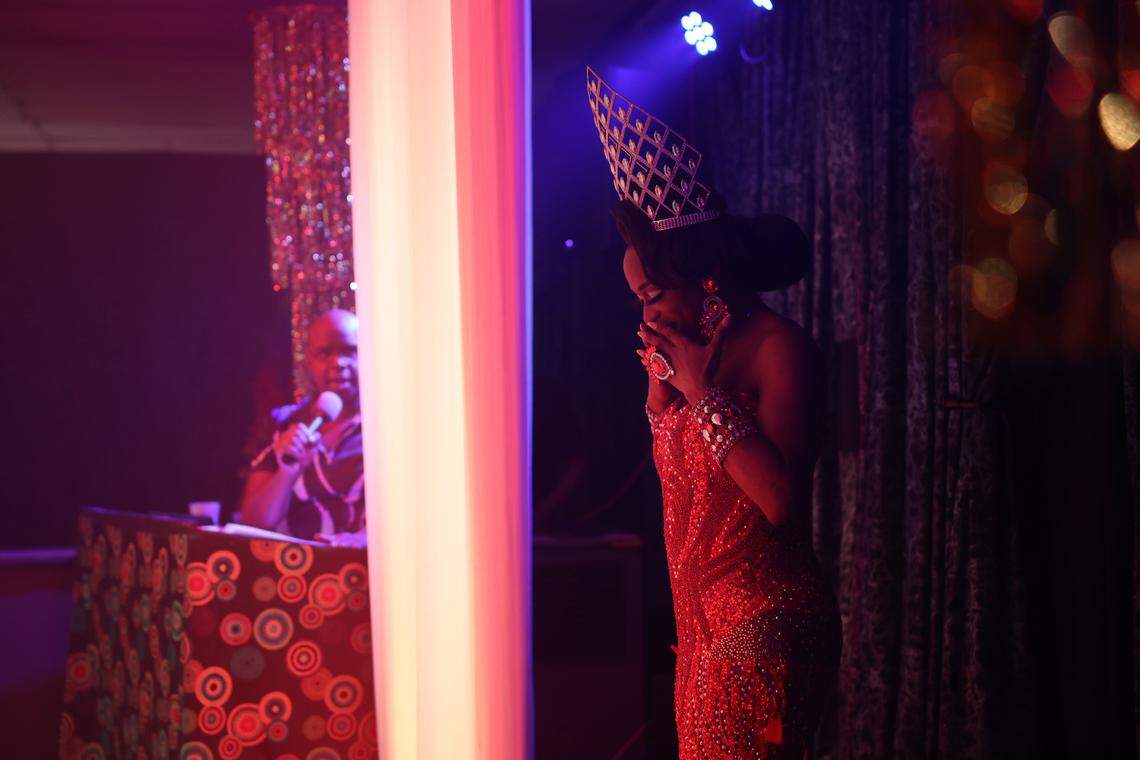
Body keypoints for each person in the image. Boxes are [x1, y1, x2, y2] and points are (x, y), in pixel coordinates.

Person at [587, 67, 841, 758]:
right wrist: (662, 401)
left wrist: (701, 393)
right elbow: (689, 496)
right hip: (699, 634)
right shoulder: (691, 361)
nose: (644, 314)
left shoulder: (777, 345)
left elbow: (779, 499)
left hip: (767, 623)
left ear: (699, 280)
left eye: (649, 297)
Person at [240, 309, 367, 548]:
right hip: (292, 574)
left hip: (365, 573)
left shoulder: (386, 427)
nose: (338, 363)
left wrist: (365, 539)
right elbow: (254, 524)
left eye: (350, 351)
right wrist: (287, 474)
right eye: (325, 353)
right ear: (308, 362)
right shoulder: (283, 423)